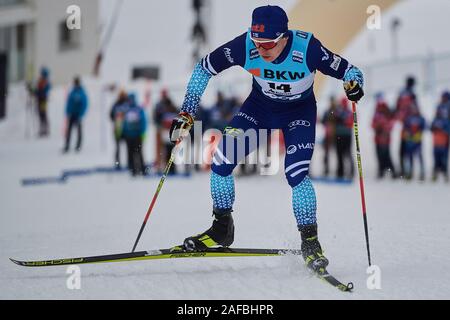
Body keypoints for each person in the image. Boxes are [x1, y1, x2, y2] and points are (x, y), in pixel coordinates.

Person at [169, 5, 364, 271]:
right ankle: (221, 228)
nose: (261, 50)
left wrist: (353, 85)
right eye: (257, 43)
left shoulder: (307, 48)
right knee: (221, 161)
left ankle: (310, 241)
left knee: (296, 173)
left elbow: (350, 71)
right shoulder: (245, 45)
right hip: (259, 110)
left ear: (284, 36)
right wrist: (187, 112)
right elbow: (204, 68)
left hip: (298, 113)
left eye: (268, 44)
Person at [371, 93, 396, 179]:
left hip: (385, 138)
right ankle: (381, 171)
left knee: (386, 155)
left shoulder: (387, 111)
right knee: (379, 155)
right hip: (378, 138)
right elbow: (373, 124)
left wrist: (384, 128)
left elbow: (391, 123)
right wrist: (377, 126)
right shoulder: (377, 112)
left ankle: (392, 171)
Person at [122, 94, 147, 176]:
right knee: (130, 153)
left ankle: (142, 169)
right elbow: (124, 123)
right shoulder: (126, 109)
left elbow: (143, 121)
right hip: (129, 136)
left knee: (139, 153)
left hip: (137, 136)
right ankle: (133, 170)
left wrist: (142, 132)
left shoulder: (138, 109)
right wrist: (123, 132)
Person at [63, 77, 88, 153]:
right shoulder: (72, 92)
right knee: (69, 131)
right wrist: (67, 112)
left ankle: (78, 146)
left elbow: (84, 104)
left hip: (78, 115)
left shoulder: (82, 92)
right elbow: (69, 103)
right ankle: (67, 146)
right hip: (72, 114)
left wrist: (81, 114)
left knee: (79, 131)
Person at [402, 104, 426, 181]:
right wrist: (408, 134)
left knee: (419, 156)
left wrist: (418, 135)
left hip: (418, 141)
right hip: (409, 141)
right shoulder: (408, 118)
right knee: (409, 157)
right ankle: (409, 172)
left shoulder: (421, 118)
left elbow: (424, 127)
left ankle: (422, 172)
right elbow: (405, 128)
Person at [334, 97, 354, 179]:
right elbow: (332, 119)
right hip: (338, 135)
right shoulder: (338, 112)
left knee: (347, 154)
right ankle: (340, 172)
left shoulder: (349, 112)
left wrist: (343, 121)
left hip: (346, 135)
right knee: (339, 154)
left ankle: (351, 172)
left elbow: (351, 122)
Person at [431, 100, 449, 182]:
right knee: (436, 160)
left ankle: (445, 174)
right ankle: (435, 173)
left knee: (444, 159)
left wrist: (441, 129)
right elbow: (430, 128)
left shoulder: (446, 121)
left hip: (443, 144)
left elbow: (447, 130)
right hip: (435, 144)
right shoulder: (434, 120)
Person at [110, 90, 129, 169]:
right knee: (118, 147)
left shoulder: (128, 104)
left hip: (126, 129)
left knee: (128, 147)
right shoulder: (116, 104)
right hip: (118, 128)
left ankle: (129, 162)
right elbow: (111, 115)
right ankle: (117, 163)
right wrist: (117, 118)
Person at [321, 96, 338, 177]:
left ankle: (339, 171)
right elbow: (323, 121)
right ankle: (326, 169)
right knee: (326, 153)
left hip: (336, 135)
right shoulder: (328, 111)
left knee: (339, 154)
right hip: (328, 134)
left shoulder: (337, 111)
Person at [35, 67, 52, 137]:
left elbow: (43, 91)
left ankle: (45, 129)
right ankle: (43, 128)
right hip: (40, 99)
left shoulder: (45, 82)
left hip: (43, 99)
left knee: (43, 113)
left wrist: (38, 92)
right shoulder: (41, 81)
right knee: (41, 114)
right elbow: (38, 90)